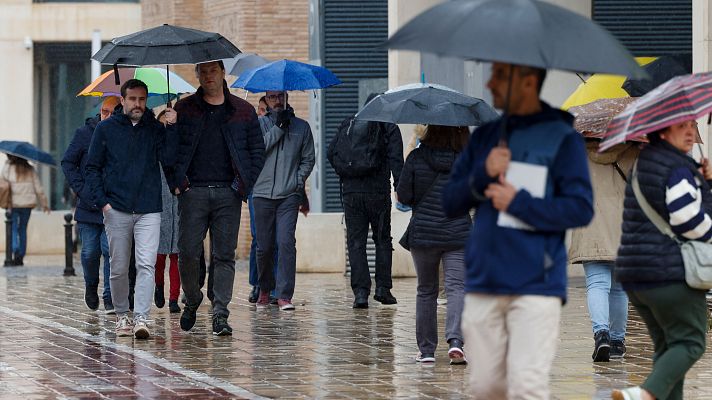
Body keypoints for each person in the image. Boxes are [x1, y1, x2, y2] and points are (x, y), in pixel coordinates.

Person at [442, 62, 593, 399]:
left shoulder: (563, 139)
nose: (490, 82)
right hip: (484, 280)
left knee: (527, 386)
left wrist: (518, 202)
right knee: (486, 388)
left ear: (527, 81)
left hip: (537, 283)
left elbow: (580, 208)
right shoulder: (484, 137)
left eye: (499, 75)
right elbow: (450, 201)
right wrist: (483, 172)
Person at [612, 120, 708, 400]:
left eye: (692, 124)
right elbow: (688, 220)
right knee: (691, 342)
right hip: (669, 274)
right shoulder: (676, 167)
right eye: (682, 126)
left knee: (668, 347)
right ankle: (644, 394)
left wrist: (703, 182)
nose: (691, 131)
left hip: (635, 275)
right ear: (663, 130)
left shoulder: (643, 164)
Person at [170, 60, 265, 335]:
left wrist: (242, 185)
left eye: (214, 70)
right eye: (203, 71)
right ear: (197, 75)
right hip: (193, 192)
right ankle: (193, 297)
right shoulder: (184, 109)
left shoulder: (243, 111)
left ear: (223, 73)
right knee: (187, 251)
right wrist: (178, 182)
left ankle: (220, 313)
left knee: (224, 255)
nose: (208, 76)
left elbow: (257, 151)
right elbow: (171, 151)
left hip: (228, 193)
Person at [85, 79, 177, 339]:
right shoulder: (105, 130)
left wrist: (171, 127)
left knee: (146, 263)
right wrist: (103, 202)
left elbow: (169, 159)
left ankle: (142, 317)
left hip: (149, 207)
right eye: (133, 99)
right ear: (123, 100)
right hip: (117, 208)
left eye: (142, 99)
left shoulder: (155, 129)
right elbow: (92, 167)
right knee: (119, 266)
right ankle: (122, 315)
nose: (138, 104)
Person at [396, 124, 471, 364]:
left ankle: (427, 351)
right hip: (457, 233)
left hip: (424, 234)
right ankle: (456, 343)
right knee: (457, 287)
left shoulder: (417, 157)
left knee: (426, 290)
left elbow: (404, 197)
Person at [327, 93, 403, 308]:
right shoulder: (389, 126)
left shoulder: (348, 123)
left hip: (351, 194)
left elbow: (331, 152)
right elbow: (397, 160)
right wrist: (400, 188)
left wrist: (346, 173)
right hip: (377, 193)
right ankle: (383, 289)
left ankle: (361, 293)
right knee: (382, 240)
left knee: (356, 243)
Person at [568, 140, 638, 362]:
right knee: (619, 288)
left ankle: (602, 336)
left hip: (591, 223)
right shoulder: (634, 149)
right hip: (625, 224)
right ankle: (617, 342)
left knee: (597, 283)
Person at [253, 90, 315, 310]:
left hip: (288, 195)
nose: (277, 101)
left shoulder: (302, 127)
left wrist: (297, 183)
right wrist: (278, 128)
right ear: (266, 100)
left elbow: (308, 159)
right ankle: (265, 289)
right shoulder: (258, 125)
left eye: (280, 96)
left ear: (287, 97)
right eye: (272, 97)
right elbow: (257, 151)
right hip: (261, 194)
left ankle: (284, 295)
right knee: (264, 247)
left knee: (286, 242)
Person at [62, 96, 121, 313]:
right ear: (100, 111)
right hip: (87, 205)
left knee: (109, 250)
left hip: (112, 205)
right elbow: (68, 163)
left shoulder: (122, 134)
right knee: (89, 252)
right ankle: (91, 286)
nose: (107, 116)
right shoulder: (84, 134)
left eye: (112, 112)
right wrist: (82, 190)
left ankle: (109, 297)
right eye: (104, 111)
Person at [154, 109, 181, 314]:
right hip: (158, 205)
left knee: (176, 255)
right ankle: (158, 287)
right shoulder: (154, 150)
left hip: (178, 203)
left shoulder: (178, 146)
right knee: (159, 254)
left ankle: (174, 297)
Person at [2, 155, 50, 266]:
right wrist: (44, 204)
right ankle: (21, 255)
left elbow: (3, 184)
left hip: (13, 204)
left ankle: (16, 249)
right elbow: (39, 188)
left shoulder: (8, 167)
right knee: (22, 229)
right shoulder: (30, 169)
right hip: (27, 205)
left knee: (12, 228)